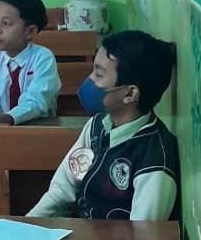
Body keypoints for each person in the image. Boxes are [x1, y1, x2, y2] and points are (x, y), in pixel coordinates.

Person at [26, 30, 180, 220]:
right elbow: (62, 190)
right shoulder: (96, 127)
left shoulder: (154, 160)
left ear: (130, 94)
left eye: (99, 74)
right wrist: (27, 224)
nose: (90, 80)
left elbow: (143, 234)